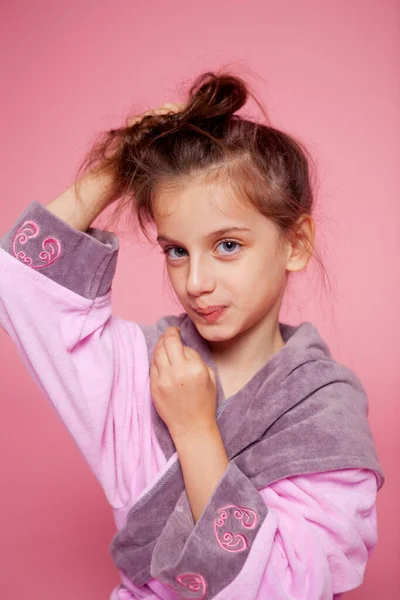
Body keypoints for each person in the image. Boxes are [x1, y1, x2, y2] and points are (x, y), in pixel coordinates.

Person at [0, 70, 384, 600]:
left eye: (227, 245)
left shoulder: (324, 414)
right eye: (176, 251)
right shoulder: (148, 367)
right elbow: (20, 285)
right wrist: (121, 164)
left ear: (295, 243)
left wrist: (196, 428)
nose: (196, 283)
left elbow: (283, 588)